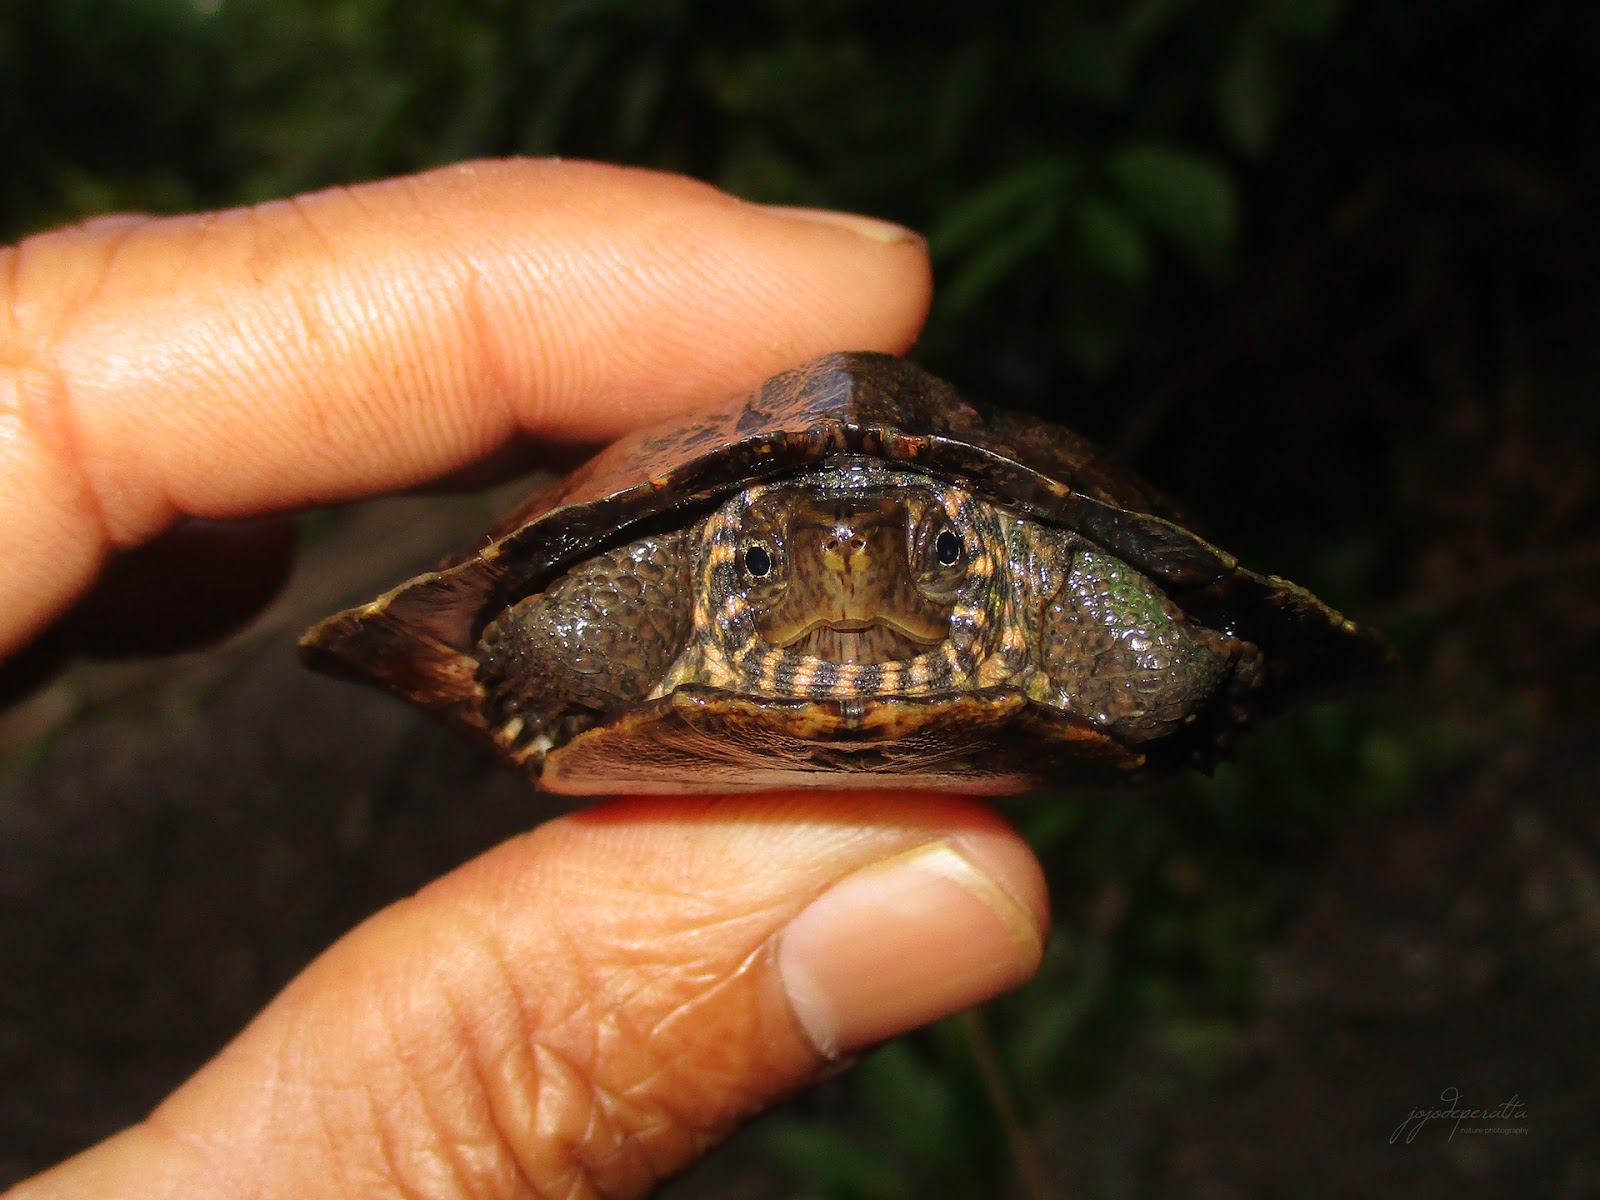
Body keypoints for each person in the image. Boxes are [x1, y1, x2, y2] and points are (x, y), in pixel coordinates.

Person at [1, 160, 1048, 1200]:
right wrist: (554, 655)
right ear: (732, 566)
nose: (852, 567)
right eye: (772, 562)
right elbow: (533, 635)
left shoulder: (1040, 581)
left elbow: (1173, 648)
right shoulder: (662, 582)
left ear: (976, 558)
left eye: (933, 555)